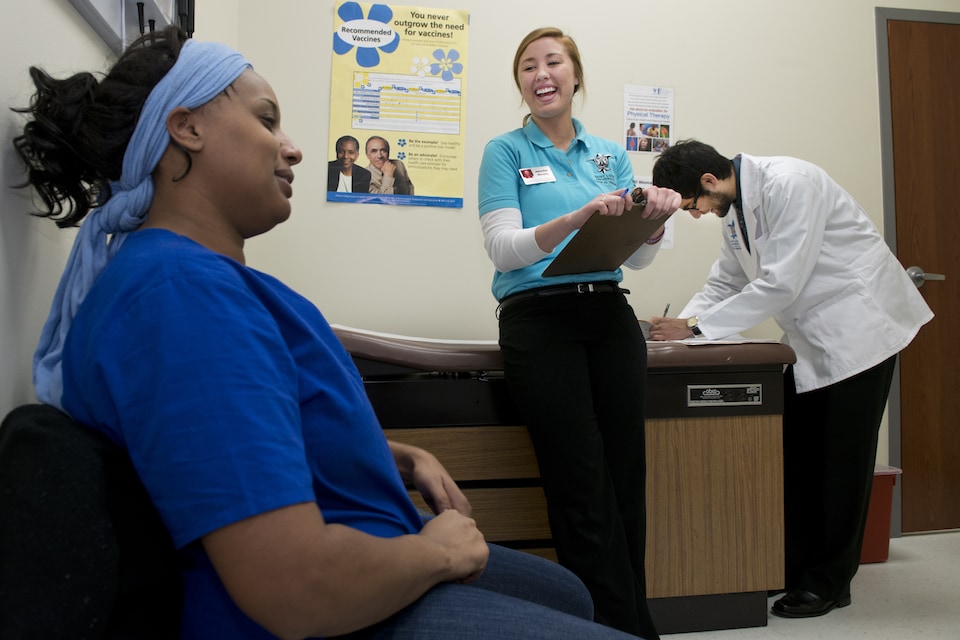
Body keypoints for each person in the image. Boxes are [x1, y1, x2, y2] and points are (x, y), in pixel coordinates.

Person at [13, 26, 647, 640]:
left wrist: (394, 454)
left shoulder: (190, 282)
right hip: (336, 607)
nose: (291, 148)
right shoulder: (180, 297)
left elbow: (234, 433)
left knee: (570, 594)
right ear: (187, 128)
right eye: (267, 121)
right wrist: (438, 555)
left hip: (363, 548)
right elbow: (294, 588)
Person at [648, 139, 933, 619]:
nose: (694, 215)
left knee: (841, 463)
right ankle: (791, 568)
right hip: (814, 341)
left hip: (861, 331)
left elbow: (781, 282)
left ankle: (829, 583)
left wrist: (694, 328)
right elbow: (726, 281)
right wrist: (679, 331)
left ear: (708, 182)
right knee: (799, 458)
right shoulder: (735, 210)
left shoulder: (791, 183)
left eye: (691, 206)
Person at [477, 26, 680, 639]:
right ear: (521, 84)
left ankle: (621, 621)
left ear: (574, 75)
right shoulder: (505, 152)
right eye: (528, 66)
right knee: (580, 484)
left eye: (553, 62)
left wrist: (655, 223)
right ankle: (619, 629)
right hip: (540, 321)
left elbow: (637, 260)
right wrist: (577, 216)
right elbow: (503, 248)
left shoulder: (608, 155)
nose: (541, 74)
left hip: (610, 318)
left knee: (623, 480)